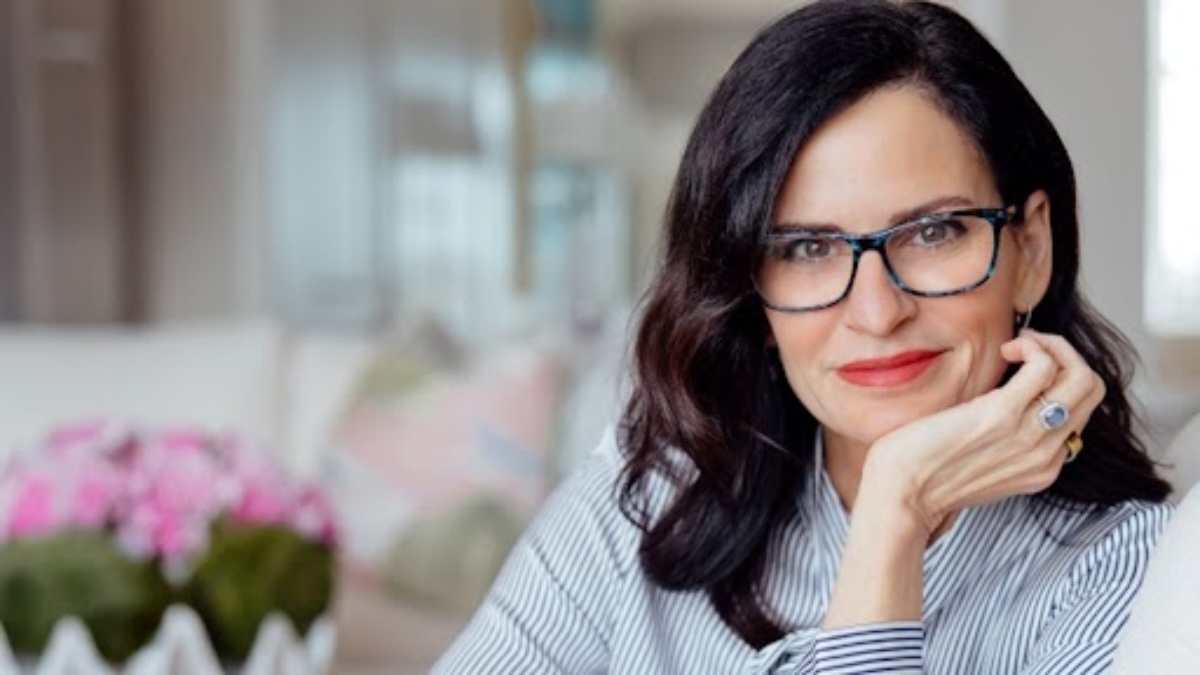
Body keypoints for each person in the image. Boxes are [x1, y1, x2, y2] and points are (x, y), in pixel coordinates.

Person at [434, 1, 1173, 672]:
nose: (878, 312)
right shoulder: (651, 496)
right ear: (751, 291)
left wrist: (896, 508)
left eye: (933, 231)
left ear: (1030, 251)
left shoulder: (1122, 569)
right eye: (808, 249)